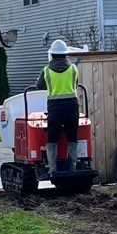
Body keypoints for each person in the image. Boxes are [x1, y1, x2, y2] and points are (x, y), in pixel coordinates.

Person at [40, 38, 81, 171]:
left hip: (55, 108)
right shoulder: (74, 69)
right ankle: (73, 167)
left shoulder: (46, 70)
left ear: (52, 54)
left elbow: (39, 85)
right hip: (72, 106)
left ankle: (52, 168)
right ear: (65, 54)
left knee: (52, 137)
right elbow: (75, 85)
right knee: (72, 136)